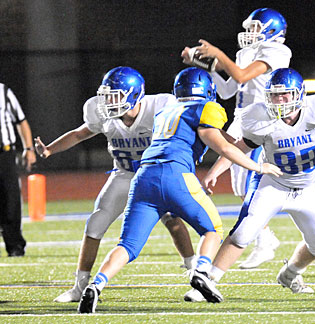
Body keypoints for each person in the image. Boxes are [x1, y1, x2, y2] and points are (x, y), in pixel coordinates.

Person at [77, 67, 282, 313]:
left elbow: (225, 140)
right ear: (208, 90)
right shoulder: (205, 109)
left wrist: (241, 144)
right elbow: (223, 147)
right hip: (175, 175)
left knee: (128, 244)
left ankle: (96, 286)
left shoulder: (166, 111)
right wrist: (258, 167)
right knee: (213, 230)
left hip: (143, 177)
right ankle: (202, 273)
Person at [191, 68, 315, 303]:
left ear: (299, 95)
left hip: (308, 187)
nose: (279, 101)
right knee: (244, 232)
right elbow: (242, 147)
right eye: (274, 95)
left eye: (285, 95)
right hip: (272, 183)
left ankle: (290, 274)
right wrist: (215, 170)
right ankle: (206, 283)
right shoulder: (259, 117)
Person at [34, 66, 196, 303]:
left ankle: (195, 274)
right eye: (107, 95)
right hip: (124, 174)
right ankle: (80, 287)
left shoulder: (159, 108)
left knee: (174, 223)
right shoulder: (102, 114)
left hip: (153, 174)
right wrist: (50, 149)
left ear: (133, 94)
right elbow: (80, 134)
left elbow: (186, 132)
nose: (109, 101)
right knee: (95, 223)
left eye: (115, 95)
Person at [181, 7, 292, 272]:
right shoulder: (245, 53)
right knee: (239, 185)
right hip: (241, 117)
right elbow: (230, 88)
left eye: (255, 28)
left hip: (262, 118)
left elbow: (242, 75)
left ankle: (264, 240)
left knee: (245, 185)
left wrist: (217, 56)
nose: (249, 33)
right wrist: (203, 64)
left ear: (272, 30)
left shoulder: (278, 51)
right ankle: (265, 238)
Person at [0, 83, 36, 257]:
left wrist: (29, 148)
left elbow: (21, 121)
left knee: (10, 199)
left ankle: (14, 245)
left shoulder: (4, 91)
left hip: (4, 153)